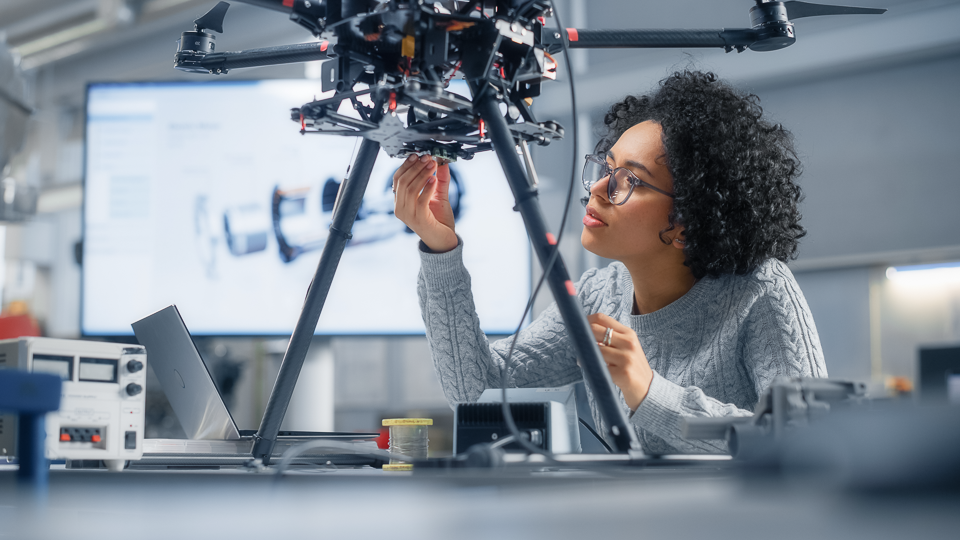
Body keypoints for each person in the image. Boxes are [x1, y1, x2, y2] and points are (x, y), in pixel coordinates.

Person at [392, 70, 827, 454]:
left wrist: (650, 394)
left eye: (628, 181)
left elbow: (807, 439)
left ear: (687, 223)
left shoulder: (760, 289)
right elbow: (476, 390)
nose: (597, 188)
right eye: (607, 167)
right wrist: (440, 250)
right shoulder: (600, 295)